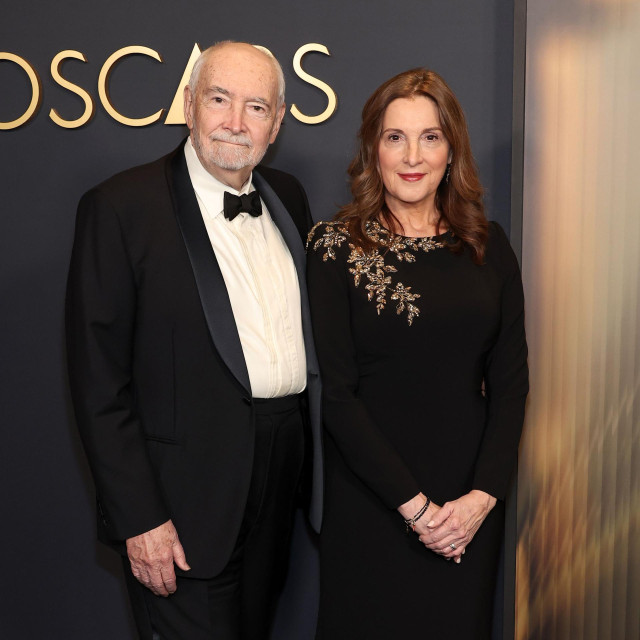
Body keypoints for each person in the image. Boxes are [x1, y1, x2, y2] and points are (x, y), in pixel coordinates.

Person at [66, 41, 322, 640]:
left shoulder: (287, 196)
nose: (236, 122)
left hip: (278, 482)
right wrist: (140, 518)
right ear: (188, 104)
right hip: (181, 508)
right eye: (219, 99)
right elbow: (98, 381)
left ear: (278, 121)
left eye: (256, 107)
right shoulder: (121, 207)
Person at [306, 68, 528, 639]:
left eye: (430, 137)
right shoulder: (334, 246)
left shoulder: (487, 244)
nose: (413, 155)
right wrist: (418, 511)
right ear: (372, 149)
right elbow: (337, 394)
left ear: (452, 150)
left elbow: (511, 383)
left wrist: (481, 499)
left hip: (469, 509)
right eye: (394, 136)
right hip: (373, 501)